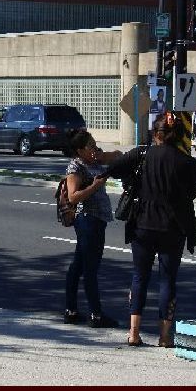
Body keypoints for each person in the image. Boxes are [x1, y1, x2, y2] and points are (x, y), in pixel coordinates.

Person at [104, 113, 196, 347]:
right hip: (173, 227)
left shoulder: (142, 154)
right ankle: (165, 336)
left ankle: (134, 333)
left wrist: (133, 180)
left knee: (140, 277)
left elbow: (114, 168)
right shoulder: (187, 162)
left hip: (143, 224)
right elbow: (192, 192)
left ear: (155, 133)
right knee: (168, 280)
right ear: (177, 135)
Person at [63, 129, 123, 329]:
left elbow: (116, 156)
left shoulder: (94, 159)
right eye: (90, 146)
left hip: (97, 220)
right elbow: (73, 197)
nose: (94, 149)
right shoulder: (76, 167)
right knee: (90, 268)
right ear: (80, 150)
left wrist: (113, 155)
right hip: (87, 220)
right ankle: (96, 314)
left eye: (95, 144)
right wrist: (95, 186)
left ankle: (71, 311)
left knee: (78, 265)